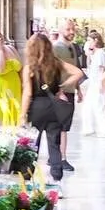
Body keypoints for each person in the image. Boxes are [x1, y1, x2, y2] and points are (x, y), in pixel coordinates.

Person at [20, 32, 83, 181]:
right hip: (54, 107)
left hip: (36, 108)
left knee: (32, 143)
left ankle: (27, 175)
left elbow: (28, 93)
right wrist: (63, 86)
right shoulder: (56, 63)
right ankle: (57, 175)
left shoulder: (29, 68)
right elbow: (78, 73)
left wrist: (22, 114)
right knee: (54, 144)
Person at [82, 29, 105, 137]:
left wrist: (101, 84)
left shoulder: (101, 53)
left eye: (90, 40)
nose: (88, 43)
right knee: (89, 106)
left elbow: (102, 70)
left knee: (98, 106)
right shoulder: (95, 54)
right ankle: (89, 127)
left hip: (97, 83)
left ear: (96, 40)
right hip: (93, 83)